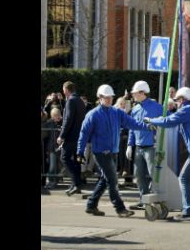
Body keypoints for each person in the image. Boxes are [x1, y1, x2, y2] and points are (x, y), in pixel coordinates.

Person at [77, 84, 150, 217]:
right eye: (106, 97)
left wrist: (148, 127)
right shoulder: (92, 115)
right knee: (112, 180)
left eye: (111, 97)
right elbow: (84, 134)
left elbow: (132, 123)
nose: (109, 99)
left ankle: (91, 205)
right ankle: (120, 208)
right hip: (100, 153)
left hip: (113, 152)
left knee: (106, 179)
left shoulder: (117, 112)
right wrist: (80, 151)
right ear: (100, 98)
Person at [145, 86, 190, 221]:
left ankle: (188, 212)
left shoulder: (186, 110)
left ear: (182, 99)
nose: (176, 103)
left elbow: (168, 122)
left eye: (177, 100)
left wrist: (150, 120)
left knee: (183, 178)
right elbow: (173, 119)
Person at [127, 80, 164, 210]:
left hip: (151, 146)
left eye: (135, 93)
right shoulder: (135, 109)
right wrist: (129, 145)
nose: (133, 95)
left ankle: (156, 200)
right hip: (138, 147)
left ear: (142, 93)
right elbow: (132, 128)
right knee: (139, 175)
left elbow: (168, 120)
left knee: (154, 174)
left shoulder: (157, 107)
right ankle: (144, 200)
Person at [57, 81, 87, 196]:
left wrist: (61, 136)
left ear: (66, 89)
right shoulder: (79, 100)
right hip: (79, 136)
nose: (63, 91)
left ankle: (76, 183)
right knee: (76, 161)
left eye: (63, 89)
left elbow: (68, 120)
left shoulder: (70, 101)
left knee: (64, 158)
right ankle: (76, 185)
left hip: (71, 136)